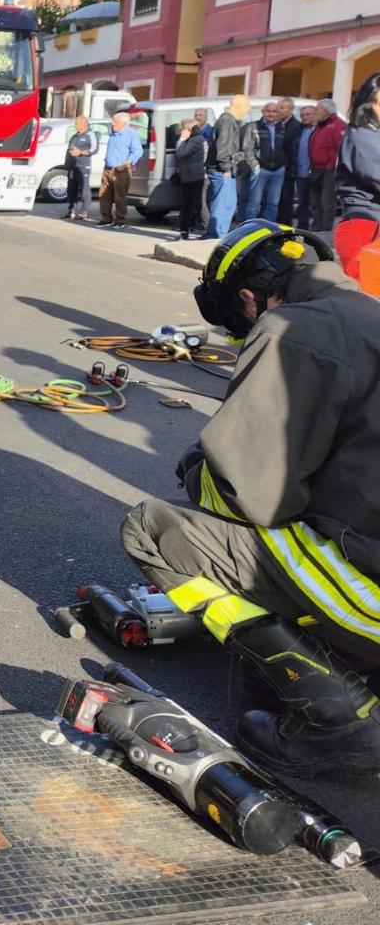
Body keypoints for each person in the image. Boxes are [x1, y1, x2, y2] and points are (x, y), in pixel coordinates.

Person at [121, 220, 380, 775]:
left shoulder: (292, 329)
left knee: (154, 529)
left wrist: (197, 467)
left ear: (248, 298)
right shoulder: (370, 315)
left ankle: (339, 721)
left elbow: (251, 497)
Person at [335, 72, 380, 279]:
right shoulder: (362, 136)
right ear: (368, 105)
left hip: (371, 225)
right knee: (368, 301)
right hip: (365, 227)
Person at [202, 93, 251, 239]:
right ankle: (217, 236)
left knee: (226, 204)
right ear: (239, 106)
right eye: (247, 106)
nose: (248, 109)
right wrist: (226, 168)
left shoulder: (227, 120)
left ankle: (214, 234)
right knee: (223, 205)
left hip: (221, 168)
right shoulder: (227, 121)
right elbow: (223, 146)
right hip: (222, 170)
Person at [243, 99, 287, 223]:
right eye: (268, 111)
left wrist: (284, 165)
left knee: (273, 203)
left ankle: (268, 231)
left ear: (278, 113)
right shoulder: (253, 126)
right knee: (254, 202)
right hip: (260, 169)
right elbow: (247, 147)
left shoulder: (282, 127)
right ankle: (250, 228)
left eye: (274, 111)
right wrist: (254, 165)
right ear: (263, 112)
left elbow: (287, 147)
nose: (271, 114)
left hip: (278, 170)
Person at [98, 111, 142, 229]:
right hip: (108, 169)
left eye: (115, 122)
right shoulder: (113, 133)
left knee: (120, 196)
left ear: (125, 123)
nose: (112, 124)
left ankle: (120, 220)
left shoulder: (131, 134)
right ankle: (106, 218)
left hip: (121, 170)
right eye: (113, 121)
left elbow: (137, 151)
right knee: (104, 195)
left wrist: (126, 162)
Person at [309, 97, 347, 231]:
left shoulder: (338, 125)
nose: (315, 112)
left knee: (326, 201)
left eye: (317, 109)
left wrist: (331, 165)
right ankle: (316, 226)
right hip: (316, 168)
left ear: (326, 111)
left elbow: (341, 148)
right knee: (315, 201)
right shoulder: (320, 125)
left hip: (329, 169)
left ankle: (325, 229)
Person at [282, 103, 316, 227]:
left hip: (316, 171)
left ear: (315, 115)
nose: (305, 117)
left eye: (308, 114)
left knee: (317, 202)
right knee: (302, 202)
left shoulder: (319, 129)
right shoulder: (299, 129)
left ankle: (320, 230)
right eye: (302, 115)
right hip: (300, 171)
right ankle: (303, 227)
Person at [172, 118, 206, 240]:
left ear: (189, 129)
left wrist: (181, 140)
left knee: (198, 205)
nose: (181, 131)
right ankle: (184, 231)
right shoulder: (190, 140)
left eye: (183, 129)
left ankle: (204, 229)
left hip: (196, 177)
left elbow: (181, 154)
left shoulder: (196, 140)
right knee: (186, 205)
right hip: (187, 177)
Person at [63, 115, 98, 221]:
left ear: (84, 124)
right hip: (72, 167)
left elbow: (94, 150)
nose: (75, 125)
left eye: (77, 123)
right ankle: (72, 211)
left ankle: (84, 211)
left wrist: (80, 152)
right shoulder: (75, 136)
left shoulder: (90, 135)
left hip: (83, 166)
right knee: (71, 189)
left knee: (84, 189)